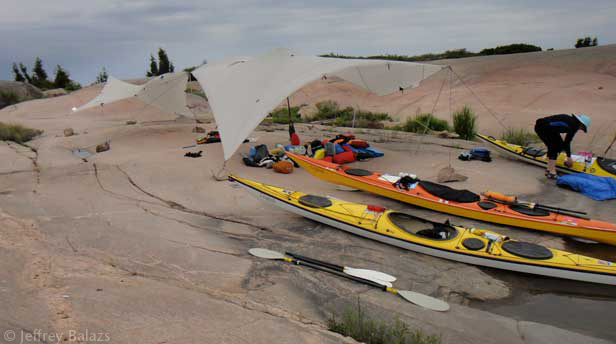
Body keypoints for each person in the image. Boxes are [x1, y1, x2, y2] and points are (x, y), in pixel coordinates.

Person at [534, 114, 591, 179]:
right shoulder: (570, 124)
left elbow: (567, 142)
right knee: (554, 147)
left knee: (558, 146)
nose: (581, 129)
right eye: (582, 128)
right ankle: (552, 172)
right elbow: (547, 125)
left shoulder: (573, 126)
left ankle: (549, 170)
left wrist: (568, 157)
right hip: (542, 127)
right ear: (580, 124)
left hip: (549, 129)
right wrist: (568, 156)